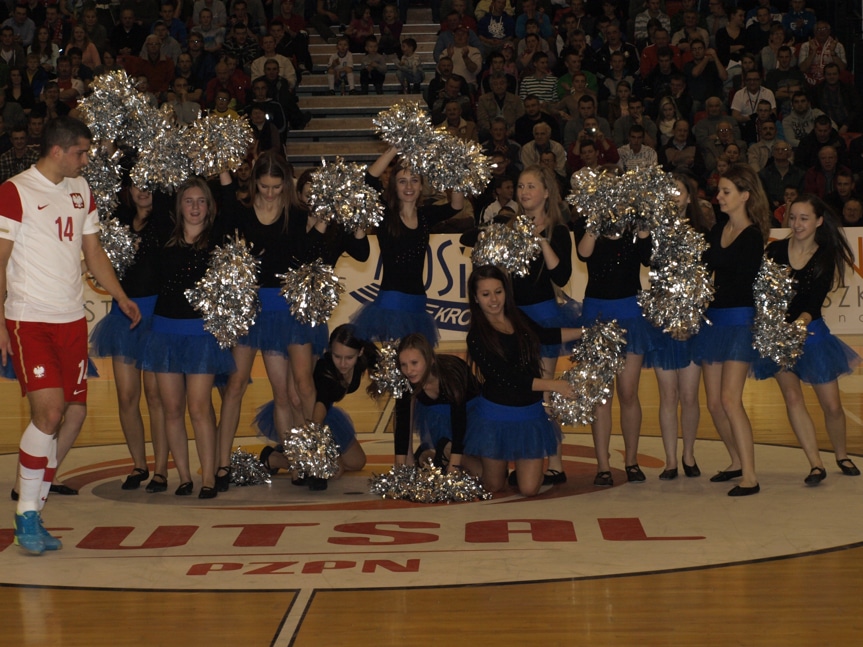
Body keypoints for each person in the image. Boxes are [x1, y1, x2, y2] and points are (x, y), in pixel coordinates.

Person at [0, 116, 141, 554]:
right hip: (30, 318)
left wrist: (120, 296)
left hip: (71, 321)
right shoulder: (15, 190)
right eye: (81, 152)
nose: (85, 159)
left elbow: (93, 252)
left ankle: (35, 510)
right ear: (58, 150)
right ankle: (25, 514)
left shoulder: (82, 191)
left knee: (64, 415)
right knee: (49, 412)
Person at [215, 153, 325, 492]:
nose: (271, 193)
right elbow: (222, 231)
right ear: (255, 183)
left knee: (302, 387)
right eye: (264, 186)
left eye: (277, 187)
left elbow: (310, 256)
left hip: (290, 310)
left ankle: (310, 463)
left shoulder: (297, 213)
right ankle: (220, 467)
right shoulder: (241, 212)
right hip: (252, 311)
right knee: (238, 386)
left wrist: (321, 223)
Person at [752, 195, 860, 483]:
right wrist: (772, 325)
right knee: (792, 397)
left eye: (804, 218)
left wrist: (797, 325)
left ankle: (841, 454)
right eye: (793, 217)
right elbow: (761, 293)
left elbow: (814, 302)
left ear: (818, 222)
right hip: (778, 336)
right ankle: (815, 464)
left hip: (812, 335)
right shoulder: (774, 252)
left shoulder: (825, 255)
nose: (797, 224)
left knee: (832, 406)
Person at [139, 177, 235, 500]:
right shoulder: (164, 235)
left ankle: (208, 477)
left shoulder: (219, 238)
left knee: (198, 407)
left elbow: (232, 202)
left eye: (201, 201)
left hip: (202, 335)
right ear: (179, 206)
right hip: (164, 332)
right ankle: (183, 477)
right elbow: (161, 190)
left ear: (210, 207)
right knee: (171, 408)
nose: (194, 207)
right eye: (188, 201)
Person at [465, 264, 582, 497]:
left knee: (529, 489)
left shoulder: (517, 316)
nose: (494, 299)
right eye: (485, 294)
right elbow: (508, 378)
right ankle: (455, 454)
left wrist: (586, 331)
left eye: (498, 291)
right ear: (476, 298)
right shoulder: (476, 336)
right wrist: (554, 384)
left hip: (529, 415)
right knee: (493, 486)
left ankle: (517, 464)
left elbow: (546, 335)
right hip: (495, 417)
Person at [573, 176, 655, 487]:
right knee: (601, 396)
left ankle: (631, 460)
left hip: (630, 313)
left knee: (628, 392)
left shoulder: (636, 224)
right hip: (597, 314)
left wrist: (642, 223)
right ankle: (603, 465)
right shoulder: (588, 221)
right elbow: (583, 253)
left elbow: (648, 257)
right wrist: (595, 219)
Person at [694, 163, 770, 496]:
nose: (719, 197)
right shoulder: (717, 230)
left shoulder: (752, 236)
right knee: (713, 402)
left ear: (744, 195)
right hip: (714, 321)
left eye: (726, 192)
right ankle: (736, 460)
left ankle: (750, 476)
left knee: (729, 399)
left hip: (739, 321)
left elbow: (739, 283)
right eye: (719, 191)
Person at [89, 185, 171, 493]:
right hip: (123, 317)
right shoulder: (118, 220)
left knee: (155, 396)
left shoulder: (165, 222)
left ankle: (161, 469)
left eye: (151, 183)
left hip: (154, 316)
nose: (144, 190)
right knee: (126, 396)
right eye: (138, 183)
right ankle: (139, 464)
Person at [350, 147, 464, 344]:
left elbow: (457, 205)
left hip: (418, 304)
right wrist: (396, 147)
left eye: (414, 180)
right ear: (394, 186)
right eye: (402, 181)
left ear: (421, 186)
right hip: (391, 305)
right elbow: (368, 179)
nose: (409, 186)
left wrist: (456, 168)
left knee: (416, 366)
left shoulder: (426, 216)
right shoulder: (384, 214)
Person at [643, 174, 711, 480]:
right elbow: (646, 265)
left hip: (694, 322)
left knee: (689, 396)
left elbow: (709, 280)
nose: (672, 196)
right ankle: (670, 460)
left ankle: (688, 454)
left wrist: (694, 313)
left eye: (678, 191)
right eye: (667, 192)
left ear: (688, 197)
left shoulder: (702, 232)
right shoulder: (653, 232)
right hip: (662, 323)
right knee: (667, 395)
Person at [259, 324, 379, 490]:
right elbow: (320, 404)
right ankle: (280, 459)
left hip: (327, 415)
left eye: (349, 358)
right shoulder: (326, 370)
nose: (343, 363)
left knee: (357, 462)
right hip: (309, 418)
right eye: (337, 356)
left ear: (360, 352)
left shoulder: (366, 358)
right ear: (330, 351)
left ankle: (280, 455)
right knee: (336, 471)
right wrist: (316, 446)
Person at [394, 333, 482, 474]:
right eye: (403, 365)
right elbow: (403, 424)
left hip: (473, 418)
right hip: (441, 420)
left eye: (414, 363)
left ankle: (440, 452)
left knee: (485, 476)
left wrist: (453, 468)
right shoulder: (405, 380)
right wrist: (401, 468)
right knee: (398, 412)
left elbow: (459, 422)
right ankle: (437, 452)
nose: (409, 370)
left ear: (430, 360)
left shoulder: (451, 373)